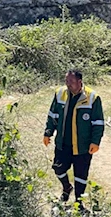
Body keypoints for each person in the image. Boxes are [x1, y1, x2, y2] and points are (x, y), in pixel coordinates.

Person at [43, 69, 104, 209]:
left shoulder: (93, 97)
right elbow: (53, 115)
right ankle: (66, 187)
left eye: (70, 81)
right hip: (63, 143)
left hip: (83, 146)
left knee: (81, 174)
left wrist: (95, 141)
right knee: (58, 168)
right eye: (66, 81)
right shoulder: (60, 93)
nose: (67, 84)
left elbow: (98, 123)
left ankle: (78, 202)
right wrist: (48, 132)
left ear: (79, 82)